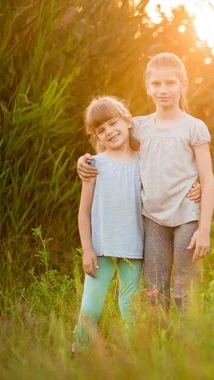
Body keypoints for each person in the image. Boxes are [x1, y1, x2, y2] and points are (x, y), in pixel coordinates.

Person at [77, 52, 214, 314]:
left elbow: (207, 180)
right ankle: (158, 346)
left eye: (170, 83)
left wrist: (204, 229)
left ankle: (190, 348)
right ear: (148, 87)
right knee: (154, 290)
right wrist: (85, 161)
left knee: (182, 291)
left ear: (183, 84)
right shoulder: (139, 126)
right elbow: (108, 143)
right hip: (152, 219)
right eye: (156, 84)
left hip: (185, 216)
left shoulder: (194, 127)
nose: (163, 90)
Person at [73, 96, 144, 352]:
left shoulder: (143, 160)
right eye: (101, 130)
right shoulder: (94, 165)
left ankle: (130, 356)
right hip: (101, 249)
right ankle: (78, 351)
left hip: (134, 248)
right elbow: (84, 211)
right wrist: (87, 249)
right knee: (90, 307)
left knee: (130, 306)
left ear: (127, 121)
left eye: (113, 123)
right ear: (96, 136)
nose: (109, 132)